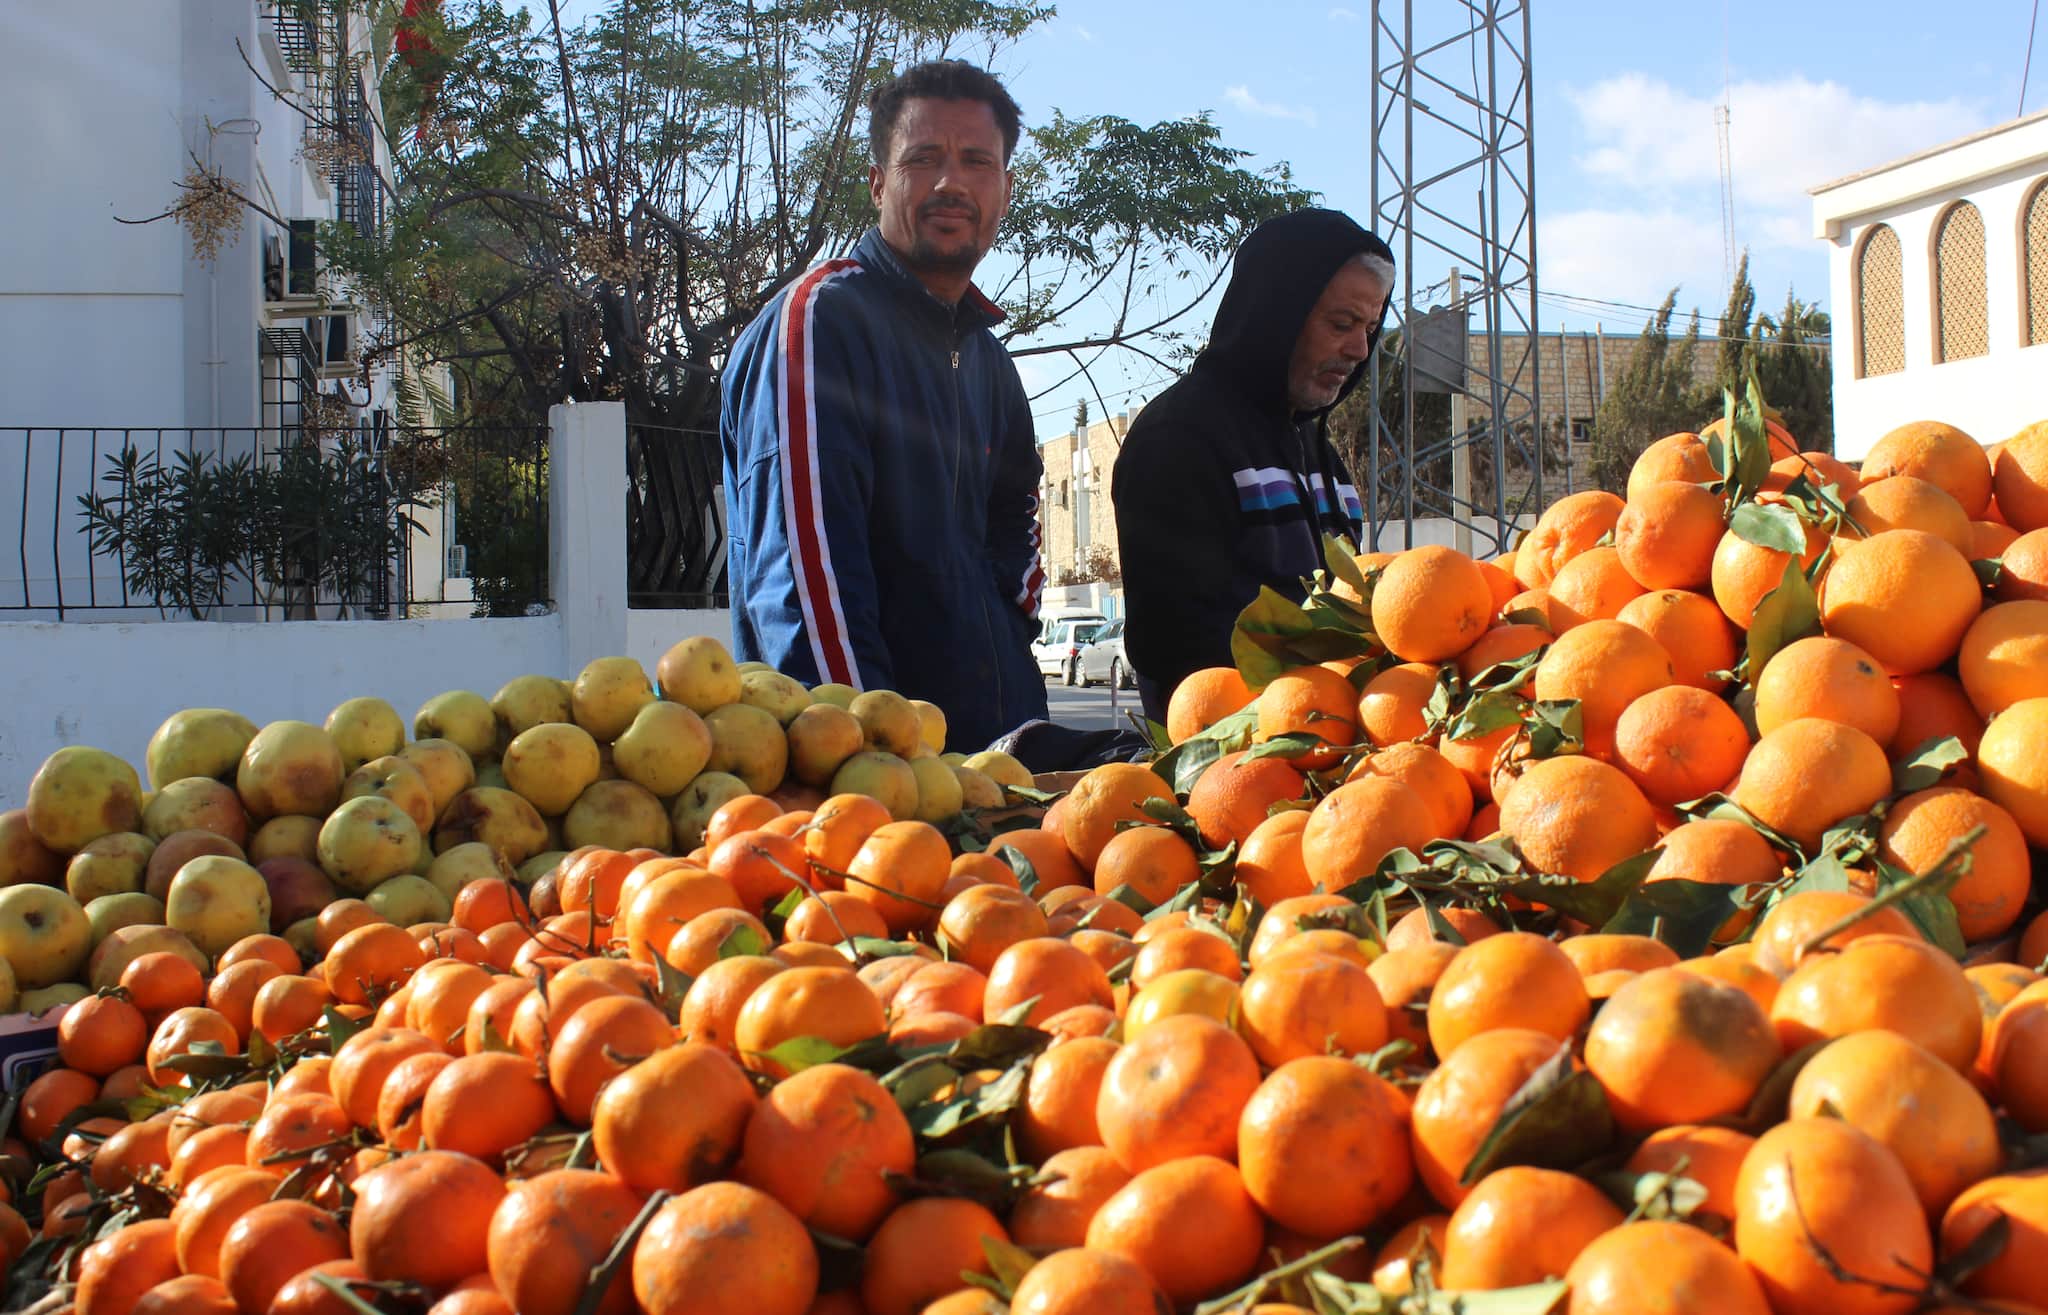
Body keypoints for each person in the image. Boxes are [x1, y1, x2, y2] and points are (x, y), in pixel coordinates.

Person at [719, 60, 1048, 752]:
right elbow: (804, 585)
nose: (950, 182)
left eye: (976, 161)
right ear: (877, 183)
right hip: (874, 790)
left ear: (1006, 189)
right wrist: (874, 758)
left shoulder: (989, 359)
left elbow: (1016, 512)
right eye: (922, 159)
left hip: (997, 763)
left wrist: (1007, 622)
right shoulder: (820, 325)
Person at [1112, 208, 1396, 723]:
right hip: (1227, 770)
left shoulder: (1323, 456)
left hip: (1326, 747)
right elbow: (1177, 645)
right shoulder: (1178, 438)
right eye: (1341, 323)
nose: (1359, 349)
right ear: (1277, 313)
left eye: (1370, 328)